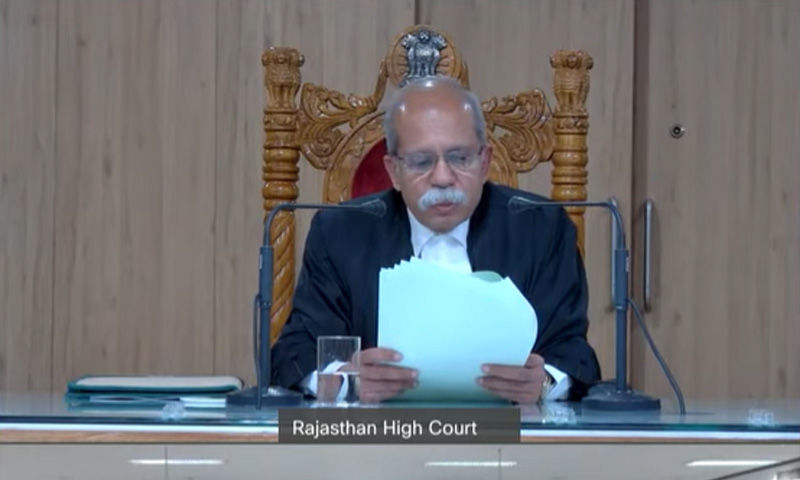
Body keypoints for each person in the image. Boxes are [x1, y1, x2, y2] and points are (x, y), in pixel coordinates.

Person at [272, 76, 600, 403]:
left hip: (509, 431)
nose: (443, 178)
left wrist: (542, 383)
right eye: (421, 162)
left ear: (485, 163)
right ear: (393, 171)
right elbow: (294, 353)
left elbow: (573, 353)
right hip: (379, 432)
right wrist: (347, 382)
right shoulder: (341, 233)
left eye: (460, 158)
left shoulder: (540, 228)